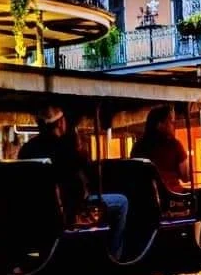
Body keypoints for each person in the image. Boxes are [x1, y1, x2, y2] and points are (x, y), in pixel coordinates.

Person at [18, 106, 128, 256]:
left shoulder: (27, 148)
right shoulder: (67, 147)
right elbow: (84, 174)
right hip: (70, 207)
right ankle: (116, 254)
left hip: (38, 208)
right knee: (121, 202)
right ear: (60, 123)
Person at [130, 105, 190, 194]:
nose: (173, 124)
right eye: (170, 121)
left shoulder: (137, 146)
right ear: (160, 124)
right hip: (172, 195)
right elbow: (186, 176)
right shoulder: (174, 145)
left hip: (146, 196)